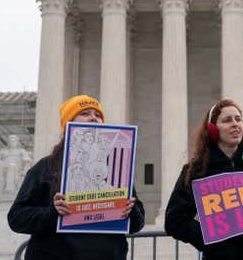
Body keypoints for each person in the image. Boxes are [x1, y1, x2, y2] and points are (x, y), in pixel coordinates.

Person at [8, 95, 145, 260]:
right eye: (85, 113)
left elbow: (137, 224)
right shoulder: (46, 167)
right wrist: (52, 213)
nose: (94, 118)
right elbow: (17, 217)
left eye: (98, 115)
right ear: (68, 124)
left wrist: (131, 211)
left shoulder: (117, 168)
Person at [165, 98, 243, 260]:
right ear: (212, 129)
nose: (235, 124)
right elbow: (174, 220)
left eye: (238, 119)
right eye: (227, 120)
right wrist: (211, 238)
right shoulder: (196, 172)